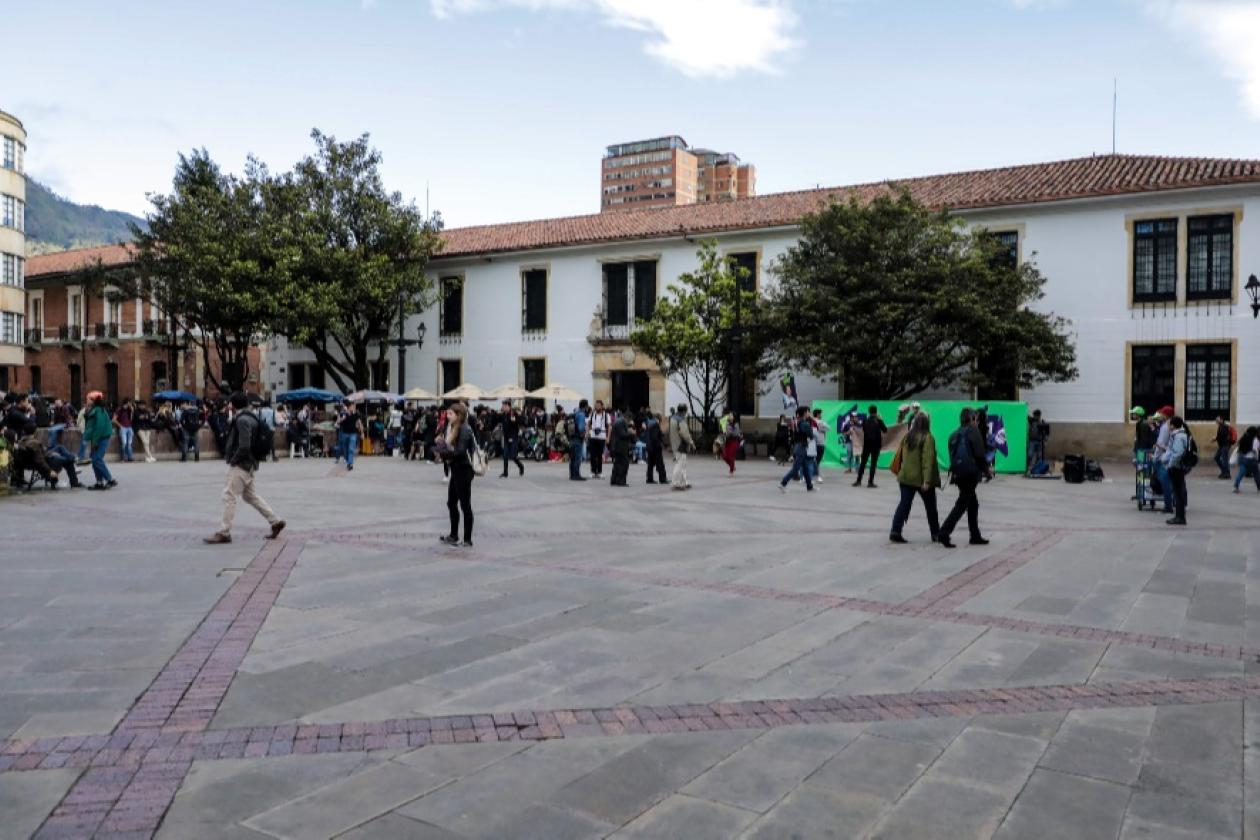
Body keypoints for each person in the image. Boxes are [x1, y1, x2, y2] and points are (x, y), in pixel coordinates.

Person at [204, 392, 286, 544]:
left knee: (229, 495)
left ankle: (224, 532)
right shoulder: (252, 417)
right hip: (250, 463)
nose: (228, 405)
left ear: (233, 405)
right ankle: (275, 521)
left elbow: (244, 445)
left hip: (242, 463)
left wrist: (234, 460)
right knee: (249, 496)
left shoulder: (242, 420)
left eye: (230, 403)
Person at [938, 407, 989, 548]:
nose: (977, 421)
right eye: (976, 419)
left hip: (958, 474)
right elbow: (979, 454)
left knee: (972, 503)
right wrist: (987, 470)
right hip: (970, 473)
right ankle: (944, 532)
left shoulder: (954, 434)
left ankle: (975, 535)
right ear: (972, 418)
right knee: (962, 503)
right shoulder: (973, 431)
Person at [889, 412, 941, 543]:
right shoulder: (928, 437)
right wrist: (927, 481)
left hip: (905, 477)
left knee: (904, 504)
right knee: (931, 508)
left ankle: (895, 531)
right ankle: (935, 533)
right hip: (920, 479)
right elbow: (927, 461)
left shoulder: (907, 436)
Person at [440, 403, 476, 547]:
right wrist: (441, 445)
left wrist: (443, 451)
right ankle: (453, 535)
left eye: (450, 414)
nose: (447, 416)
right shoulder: (453, 428)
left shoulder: (465, 430)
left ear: (458, 415)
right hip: (456, 469)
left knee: (465, 505)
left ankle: (467, 539)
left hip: (464, 470)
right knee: (451, 503)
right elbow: (453, 449)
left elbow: (460, 452)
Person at [83, 391, 117, 491]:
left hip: (101, 438)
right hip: (97, 438)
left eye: (88, 399)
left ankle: (109, 479)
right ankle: (99, 482)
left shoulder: (99, 410)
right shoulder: (94, 410)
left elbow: (99, 427)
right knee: (95, 460)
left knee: (97, 459)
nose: (86, 401)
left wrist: (95, 441)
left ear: (92, 400)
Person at [779, 406, 816, 493]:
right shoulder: (805, 424)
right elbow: (811, 435)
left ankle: (809, 486)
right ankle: (783, 483)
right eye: (808, 412)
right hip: (801, 447)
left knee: (806, 467)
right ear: (804, 413)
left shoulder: (797, 422)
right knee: (796, 469)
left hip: (797, 446)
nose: (809, 414)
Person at [1163, 415, 1191, 526]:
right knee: (1178, 491)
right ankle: (1179, 516)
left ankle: (1180, 517)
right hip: (1178, 467)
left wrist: (1170, 465)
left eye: (1170, 424)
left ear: (1173, 425)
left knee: (1177, 492)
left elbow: (1177, 453)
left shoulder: (1179, 437)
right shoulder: (1181, 435)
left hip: (1176, 467)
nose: (1169, 426)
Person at [854, 405, 886, 488]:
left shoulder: (865, 421)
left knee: (863, 463)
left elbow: (864, 430)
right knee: (873, 464)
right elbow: (885, 430)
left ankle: (858, 481)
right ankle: (870, 482)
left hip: (867, 444)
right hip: (876, 445)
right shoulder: (879, 421)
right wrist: (880, 419)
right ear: (876, 412)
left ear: (869, 411)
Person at [1150, 407, 1175, 513]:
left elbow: (1160, 443)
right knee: (1173, 482)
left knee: (1165, 482)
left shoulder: (1165, 427)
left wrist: (1155, 457)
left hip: (1163, 459)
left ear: (1166, 415)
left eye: (1162, 413)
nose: (1160, 415)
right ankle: (1176, 503)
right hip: (1169, 457)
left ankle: (1168, 506)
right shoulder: (1171, 425)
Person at [668, 404, 694, 491]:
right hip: (681, 445)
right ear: (684, 411)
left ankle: (684, 482)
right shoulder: (681, 420)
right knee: (679, 464)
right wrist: (691, 442)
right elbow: (685, 434)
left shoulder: (672, 418)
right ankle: (676, 483)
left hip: (675, 444)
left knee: (682, 464)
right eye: (686, 411)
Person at [499, 401, 525, 478]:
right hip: (506, 438)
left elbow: (522, 421)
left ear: (508, 406)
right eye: (502, 406)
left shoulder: (513, 413)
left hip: (513, 437)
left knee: (513, 456)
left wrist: (515, 420)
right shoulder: (504, 415)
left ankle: (521, 466)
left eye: (504, 406)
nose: (502, 407)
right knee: (505, 455)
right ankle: (505, 472)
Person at [336, 401, 364, 471]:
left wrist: (362, 432)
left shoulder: (356, 414)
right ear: (349, 407)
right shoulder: (343, 413)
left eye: (354, 406)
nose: (354, 407)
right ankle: (347, 460)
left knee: (351, 449)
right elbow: (338, 422)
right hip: (344, 433)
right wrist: (343, 418)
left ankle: (350, 464)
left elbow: (359, 423)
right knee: (345, 449)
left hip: (353, 434)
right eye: (352, 406)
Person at [1233, 426, 1260, 493]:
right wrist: (1257, 457)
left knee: (1241, 473)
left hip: (1243, 459)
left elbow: (1239, 447)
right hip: (1252, 460)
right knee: (1256, 474)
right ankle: (1259, 488)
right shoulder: (1255, 440)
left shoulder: (1243, 438)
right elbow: (1255, 450)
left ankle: (1236, 486)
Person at [587, 399, 610, 479]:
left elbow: (609, 426)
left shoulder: (606, 415)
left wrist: (608, 437)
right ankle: (593, 471)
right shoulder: (592, 414)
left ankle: (599, 472)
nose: (597, 407)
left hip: (602, 436)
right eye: (596, 405)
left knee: (600, 455)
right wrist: (587, 433)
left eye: (598, 405)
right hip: (593, 436)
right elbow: (588, 423)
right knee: (593, 455)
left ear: (602, 406)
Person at [609, 409, 632, 486]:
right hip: (621, 447)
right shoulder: (621, 422)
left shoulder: (618, 421)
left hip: (617, 446)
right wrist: (631, 433)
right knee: (624, 464)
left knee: (617, 464)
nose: (629, 422)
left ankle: (614, 480)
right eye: (629, 420)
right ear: (627, 418)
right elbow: (622, 435)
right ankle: (621, 481)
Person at [567, 400, 588, 481]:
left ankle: (572, 475)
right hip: (577, 438)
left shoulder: (575, 413)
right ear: (586, 406)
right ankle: (576, 475)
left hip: (572, 437)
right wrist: (584, 432)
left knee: (572, 457)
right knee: (578, 457)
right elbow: (580, 427)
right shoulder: (581, 414)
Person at [644, 412, 666, 484]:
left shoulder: (649, 423)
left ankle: (649, 478)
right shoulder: (655, 424)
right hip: (655, 447)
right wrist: (660, 444)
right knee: (660, 463)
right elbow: (655, 437)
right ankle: (662, 479)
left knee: (650, 463)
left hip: (649, 446)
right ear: (658, 417)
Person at [1026, 409, 1049, 475]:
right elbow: (1025, 415)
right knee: (1030, 454)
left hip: (1040, 441)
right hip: (1032, 441)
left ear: (1039, 416)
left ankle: (1037, 469)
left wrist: (1045, 439)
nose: (1034, 417)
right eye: (1034, 416)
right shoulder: (1031, 421)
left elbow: (1046, 432)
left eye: (1036, 416)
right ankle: (1028, 468)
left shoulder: (1043, 422)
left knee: (1039, 456)